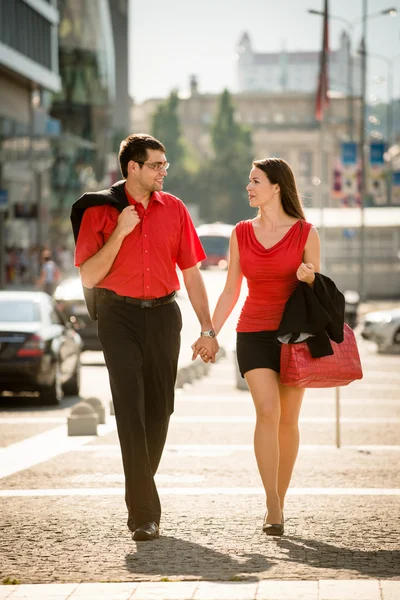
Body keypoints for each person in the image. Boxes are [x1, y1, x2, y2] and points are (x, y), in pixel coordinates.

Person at [72, 134, 219, 541]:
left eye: (164, 165)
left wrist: (207, 329)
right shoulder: (100, 211)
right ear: (132, 167)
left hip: (163, 316)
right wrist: (120, 232)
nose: (163, 171)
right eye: (156, 165)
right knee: (130, 411)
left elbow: (191, 274)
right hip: (117, 316)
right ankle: (143, 514)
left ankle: (138, 491)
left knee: (161, 410)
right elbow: (88, 276)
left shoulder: (174, 209)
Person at [192, 157, 320, 536]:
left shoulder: (306, 233)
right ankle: (272, 504)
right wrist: (210, 332)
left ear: (276, 186)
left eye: (255, 181)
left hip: (296, 336)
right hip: (253, 333)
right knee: (267, 411)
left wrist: (309, 278)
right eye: (248, 181)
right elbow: (231, 289)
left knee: (288, 420)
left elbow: (320, 291)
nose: (248, 188)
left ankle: (280, 496)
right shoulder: (241, 232)